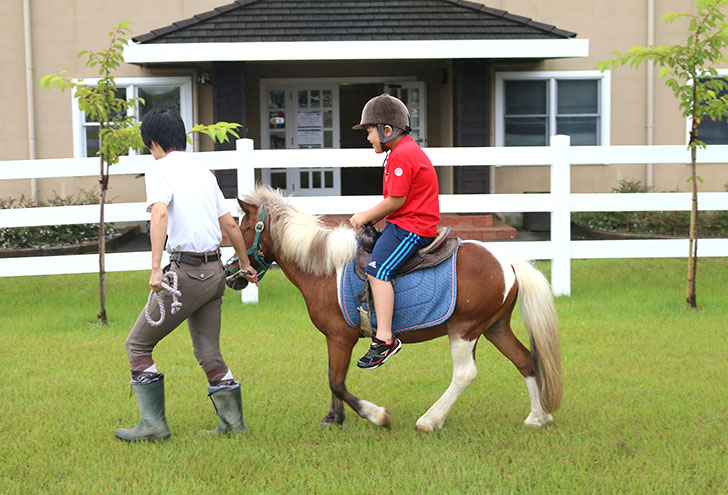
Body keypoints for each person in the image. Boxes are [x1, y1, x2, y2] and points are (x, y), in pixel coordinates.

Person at [115, 109, 258, 442]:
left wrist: (154, 269)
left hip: (186, 275)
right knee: (209, 352)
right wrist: (245, 262)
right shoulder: (203, 172)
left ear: (153, 142)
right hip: (214, 274)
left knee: (137, 344)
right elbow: (229, 224)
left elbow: (160, 212)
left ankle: (153, 426)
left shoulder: (159, 169)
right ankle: (232, 425)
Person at [349, 94, 440, 369]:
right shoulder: (398, 153)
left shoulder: (402, 156)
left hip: (412, 227)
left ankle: (385, 339)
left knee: (377, 271)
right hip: (402, 223)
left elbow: (396, 201)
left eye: (369, 131)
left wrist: (365, 215)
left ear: (387, 130)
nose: (368, 138)